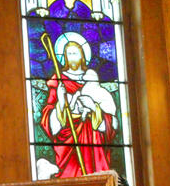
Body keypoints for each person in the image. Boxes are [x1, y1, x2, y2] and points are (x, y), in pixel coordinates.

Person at [40, 35, 118, 177]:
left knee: (97, 173)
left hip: (93, 134)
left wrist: (94, 109)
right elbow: (48, 113)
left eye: (75, 53)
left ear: (82, 56)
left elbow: (108, 115)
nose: (72, 58)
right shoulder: (59, 81)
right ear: (64, 57)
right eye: (69, 54)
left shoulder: (92, 79)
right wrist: (61, 103)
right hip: (69, 134)